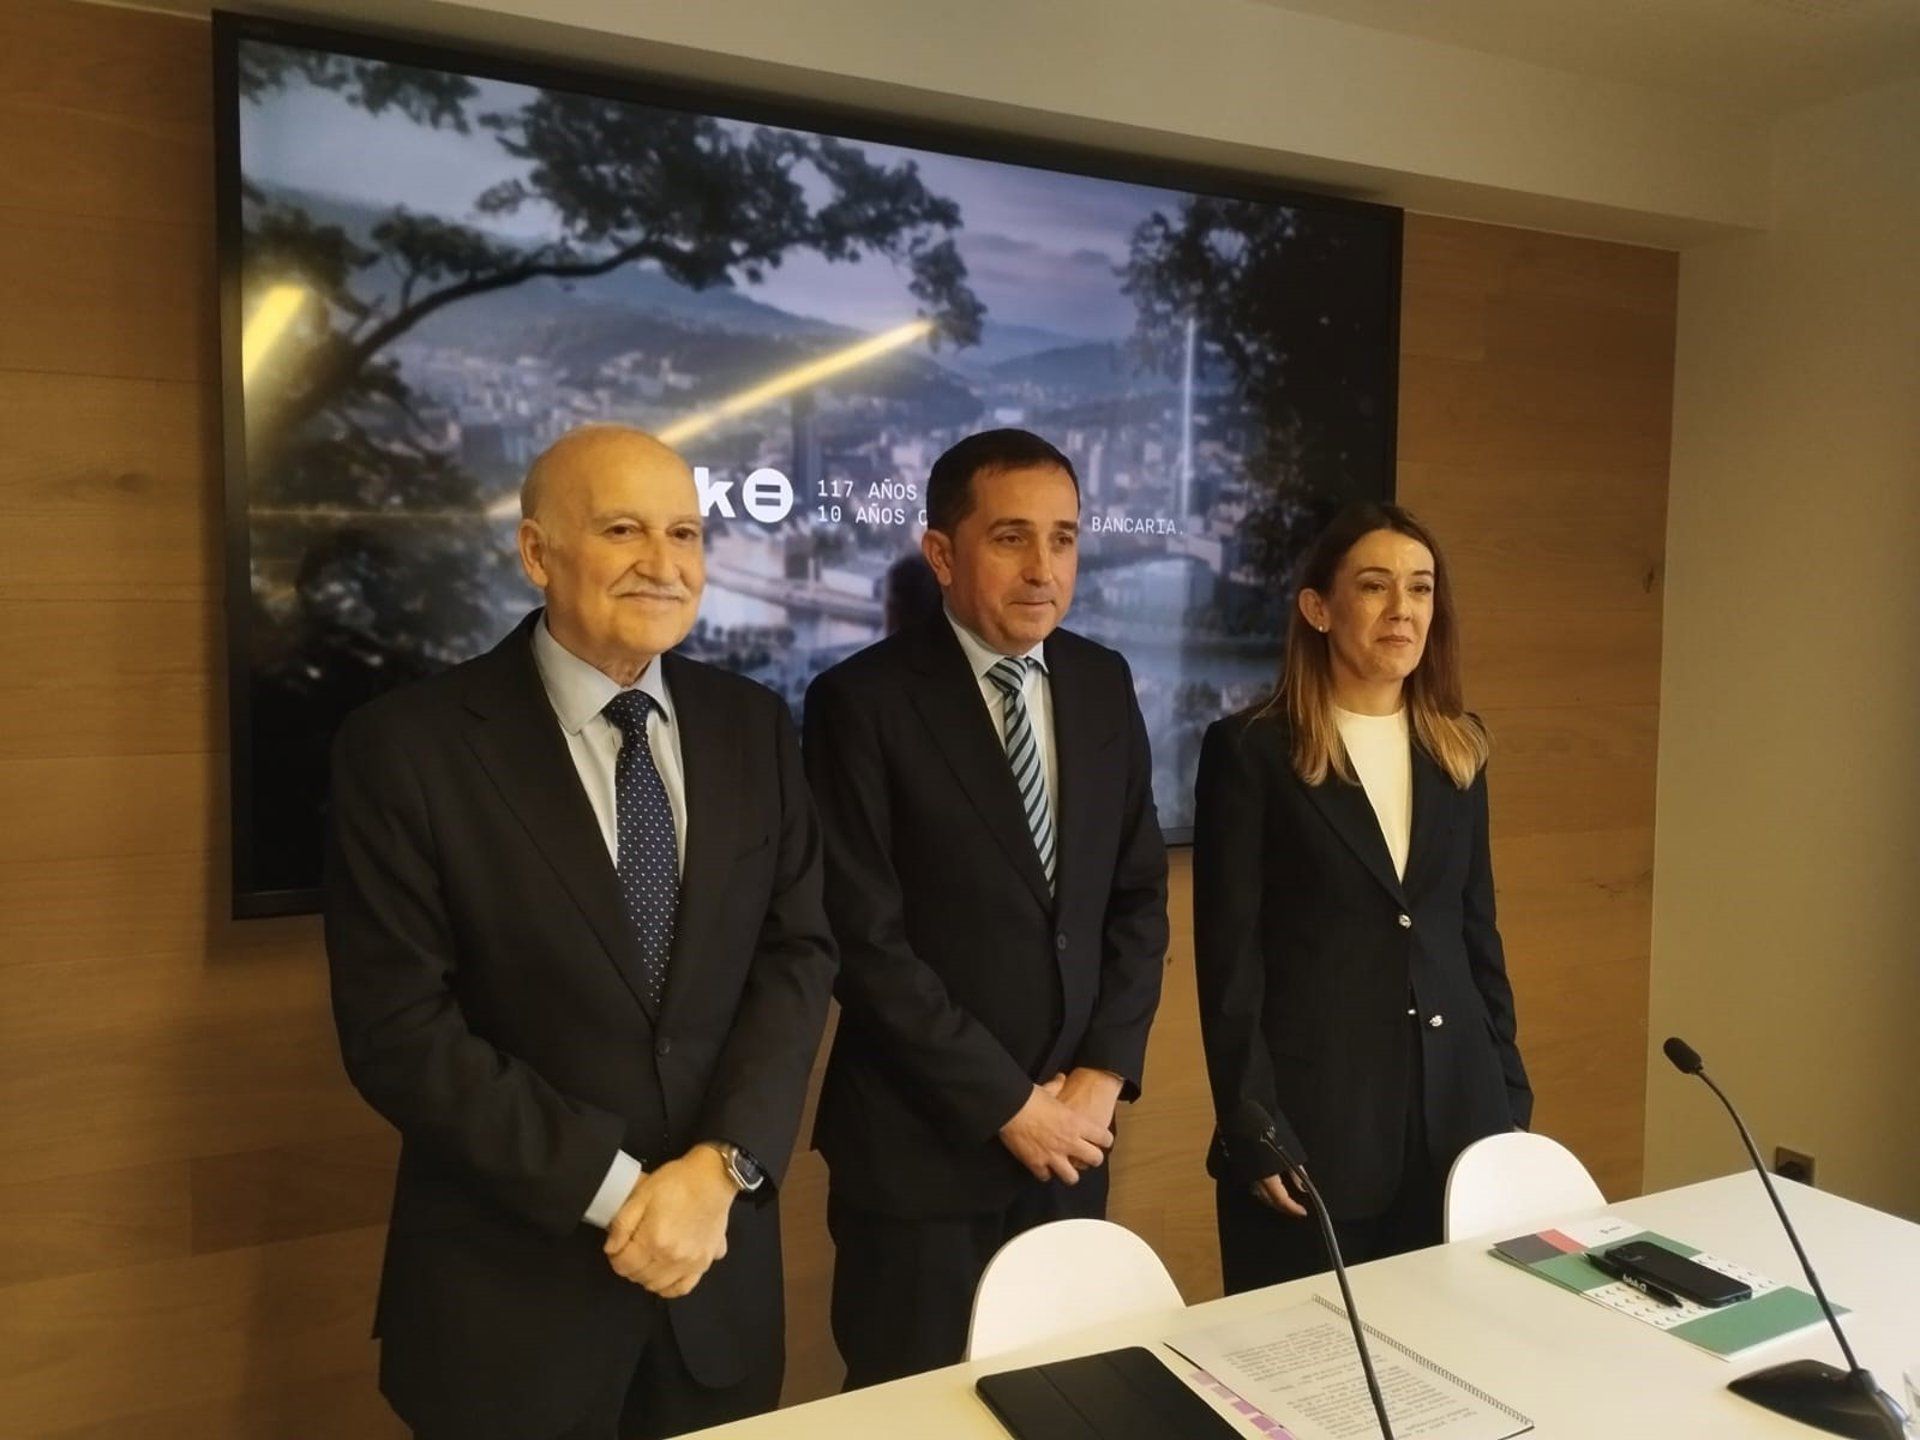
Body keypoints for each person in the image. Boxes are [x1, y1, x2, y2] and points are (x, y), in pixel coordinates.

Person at [324, 425, 837, 1440]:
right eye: (622, 530)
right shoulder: (407, 749)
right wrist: (620, 1192)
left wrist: (722, 1166)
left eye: (684, 533)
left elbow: (798, 954)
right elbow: (399, 1030)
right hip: (508, 1314)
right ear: (536, 552)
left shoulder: (752, 726)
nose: (664, 564)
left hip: (713, 1288)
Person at [802, 428, 1170, 1388]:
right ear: (941, 553)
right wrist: (1009, 1104)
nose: (1044, 568)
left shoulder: (1102, 681)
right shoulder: (860, 701)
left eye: (1064, 538)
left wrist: (1103, 1074)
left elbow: (1136, 898)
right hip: (920, 1155)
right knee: (914, 1410)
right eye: (1012, 538)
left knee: (1063, 1397)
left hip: (1072, 1146)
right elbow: (864, 942)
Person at [1193, 501, 1532, 1292]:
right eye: (1376, 586)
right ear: (1319, 608)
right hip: (1313, 1134)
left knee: (1457, 1349)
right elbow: (1229, 963)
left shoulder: (1460, 747)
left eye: (1421, 587)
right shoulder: (1252, 751)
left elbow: (1476, 934)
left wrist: (1508, 1088)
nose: (1402, 609)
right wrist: (1252, 1120)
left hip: (1460, 1123)